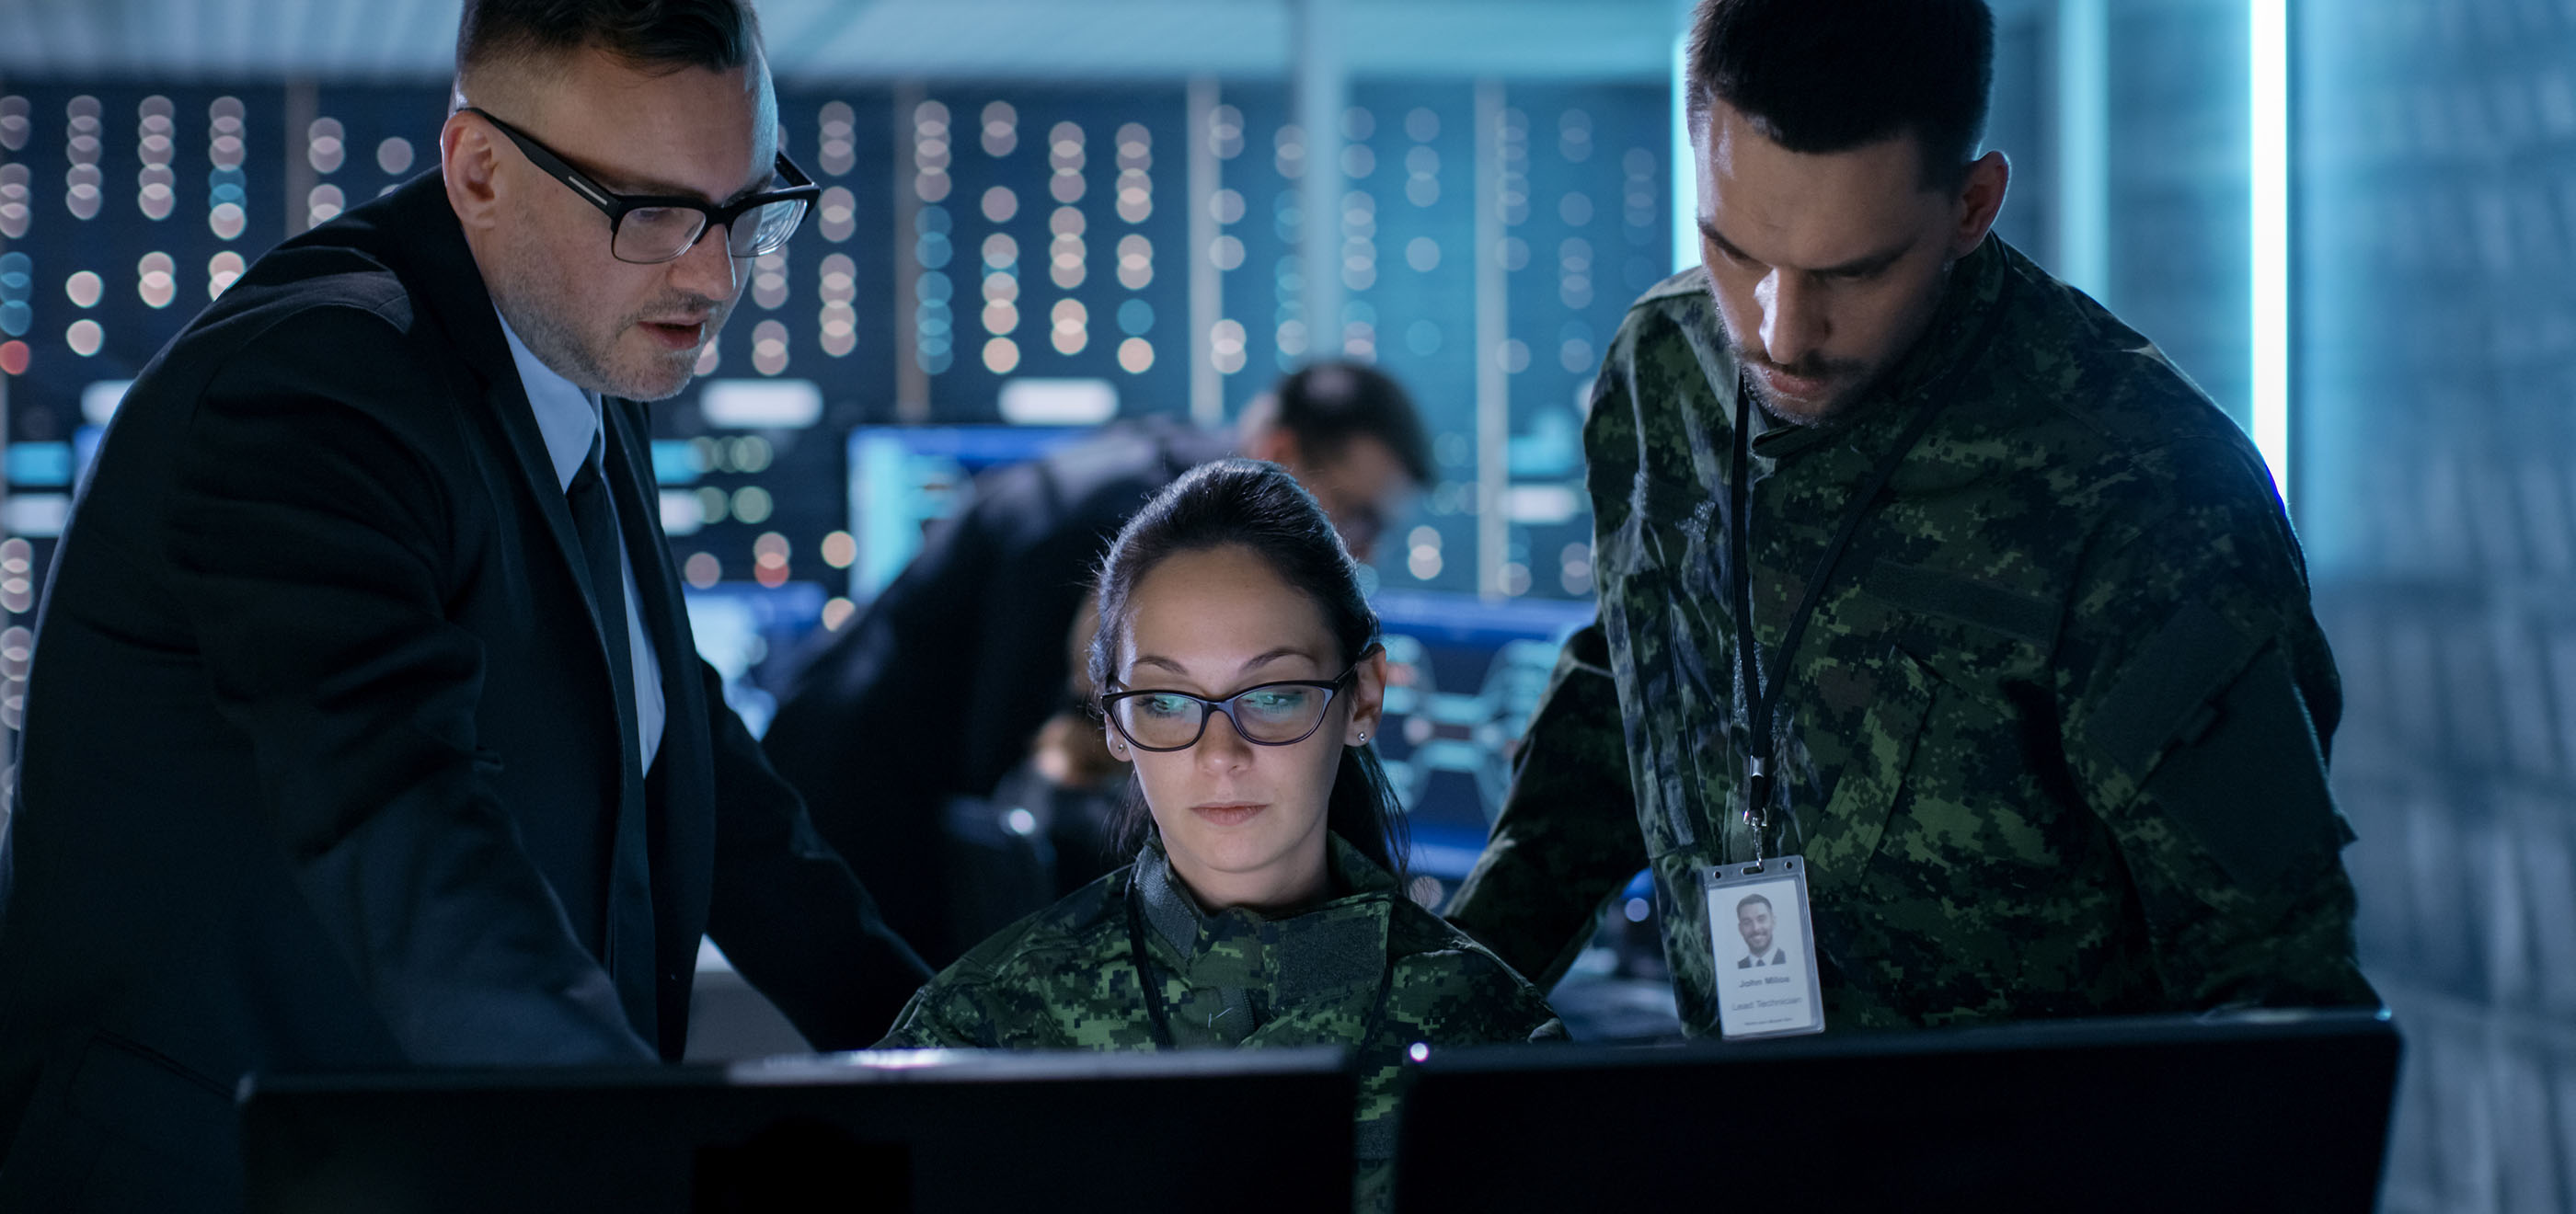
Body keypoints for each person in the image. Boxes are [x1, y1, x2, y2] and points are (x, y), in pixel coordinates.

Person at [0, 4, 926, 1208]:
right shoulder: (310, 391)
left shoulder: (585, 331)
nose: (716, 273)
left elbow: (674, 746)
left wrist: (938, 1044)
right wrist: (636, 1153)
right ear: (479, 171)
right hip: (224, 1177)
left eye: (747, 206)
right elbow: (402, 825)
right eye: (653, 210)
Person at [1447, 0, 2377, 1036]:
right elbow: (1630, 692)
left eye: (1853, 272)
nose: (1778, 332)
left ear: (1973, 204)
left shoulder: (2144, 487)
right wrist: (1433, 1025)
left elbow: (2276, 993)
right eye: (1734, 251)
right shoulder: (1661, 369)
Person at [878, 459, 1558, 1211]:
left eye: (1271, 695)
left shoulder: (1490, 1038)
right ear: (1113, 721)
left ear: (1363, 698)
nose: (1220, 755)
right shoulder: (982, 1031)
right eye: (1166, 702)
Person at [764, 363, 1433, 967]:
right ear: (1282, 453)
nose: (1360, 552)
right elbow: (1004, 751)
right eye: (1358, 515)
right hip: (843, 811)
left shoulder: (1167, 493)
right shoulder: (1132, 533)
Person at [1734, 895, 1785, 968]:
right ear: (1740, 929)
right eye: (1747, 922)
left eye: (1761, 919)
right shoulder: (1734, 970)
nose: (1755, 928)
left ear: (1773, 922)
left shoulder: (1794, 961)